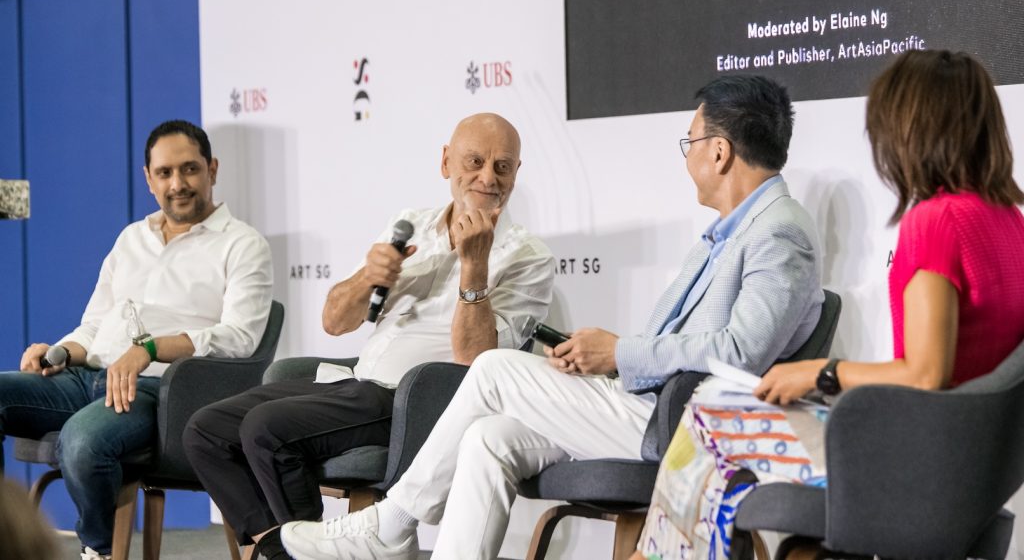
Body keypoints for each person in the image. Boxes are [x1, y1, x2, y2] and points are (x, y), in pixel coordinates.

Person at [279, 75, 825, 560]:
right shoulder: (731, 231)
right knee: (488, 438)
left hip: (686, 425)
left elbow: (740, 353)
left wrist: (620, 353)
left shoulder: (778, 232)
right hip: (647, 402)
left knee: (493, 368)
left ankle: (392, 523)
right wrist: (603, 359)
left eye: (690, 142)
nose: (687, 159)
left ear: (719, 152)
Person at [634, 49, 1024, 559]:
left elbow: (927, 374)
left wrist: (821, 373)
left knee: (710, 410)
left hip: (916, 462)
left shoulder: (936, 222)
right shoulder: (1010, 223)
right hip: (975, 470)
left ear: (909, 127)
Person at [183, 113, 555, 560]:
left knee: (267, 429)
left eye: (502, 166)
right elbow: (335, 321)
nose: (488, 177)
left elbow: (478, 361)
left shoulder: (528, 257)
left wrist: (474, 265)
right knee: (206, 430)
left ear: (516, 172)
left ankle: (305, 550)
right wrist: (367, 278)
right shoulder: (411, 224)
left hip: (419, 402)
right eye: (475, 161)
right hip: (357, 384)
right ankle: (283, 549)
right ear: (445, 162)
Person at [0, 120, 274, 560]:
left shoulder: (242, 244)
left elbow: (240, 338)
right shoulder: (131, 238)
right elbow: (93, 325)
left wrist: (150, 349)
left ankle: (99, 551)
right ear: (149, 179)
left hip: (164, 392)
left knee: (83, 442)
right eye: (165, 173)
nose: (177, 184)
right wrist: (59, 352)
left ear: (212, 169)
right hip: (86, 378)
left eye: (189, 169)